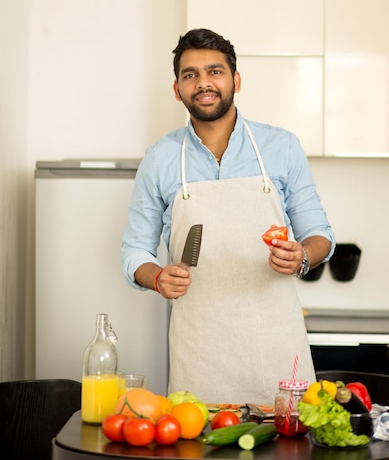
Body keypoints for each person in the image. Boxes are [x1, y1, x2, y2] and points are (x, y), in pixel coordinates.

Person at [121, 28, 335, 405]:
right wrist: (156, 277)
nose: (203, 83)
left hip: (276, 346)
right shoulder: (160, 158)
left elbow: (319, 234)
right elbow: (135, 250)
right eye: (190, 75)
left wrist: (301, 256)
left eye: (214, 71)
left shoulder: (281, 146)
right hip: (199, 352)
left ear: (235, 79)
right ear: (177, 89)